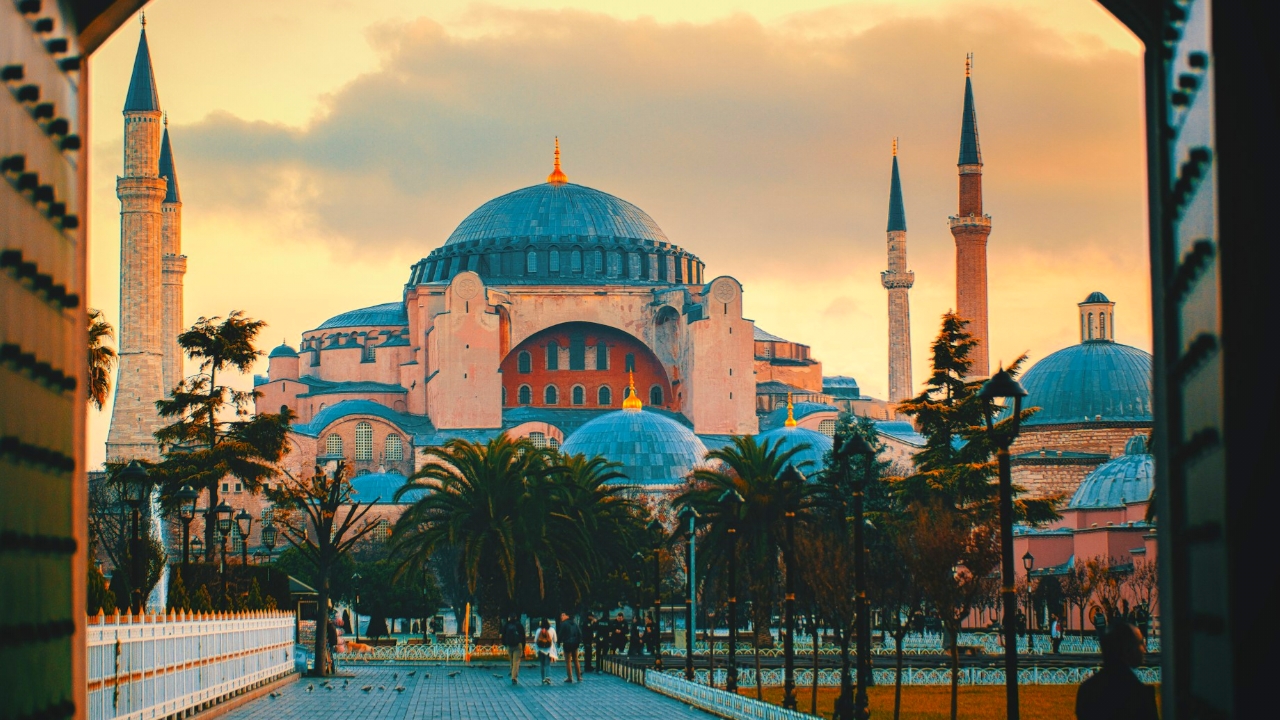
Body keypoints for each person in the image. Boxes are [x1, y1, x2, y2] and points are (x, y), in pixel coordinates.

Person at [1075, 621, 1159, 720]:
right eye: (1140, 643)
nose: (1144, 649)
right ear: (1127, 650)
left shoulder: (1087, 690)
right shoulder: (1137, 694)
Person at [501, 615, 527, 685]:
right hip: (518, 645)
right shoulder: (519, 625)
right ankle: (514, 677)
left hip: (509, 645)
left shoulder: (506, 625)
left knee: (511, 660)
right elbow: (523, 636)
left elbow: (503, 635)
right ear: (516, 617)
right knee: (516, 662)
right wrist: (523, 646)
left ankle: (512, 672)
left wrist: (505, 644)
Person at [558, 612, 583, 683]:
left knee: (568, 661)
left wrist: (558, 642)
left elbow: (560, 634)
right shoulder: (575, 624)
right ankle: (579, 677)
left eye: (563, 615)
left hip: (567, 643)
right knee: (576, 660)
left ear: (567, 616)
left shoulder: (563, 624)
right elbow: (579, 634)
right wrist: (578, 642)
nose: (561, 617)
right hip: (575, 644)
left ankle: (570, 678)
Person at [534, 618, 558, 685]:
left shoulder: (539, 630)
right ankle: (548, 678)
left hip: (540, 649)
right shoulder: (552, 630)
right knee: (547, 664)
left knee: (542, 664)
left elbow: (535, 640)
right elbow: (555, 640)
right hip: (549, 650)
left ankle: (543, 678)